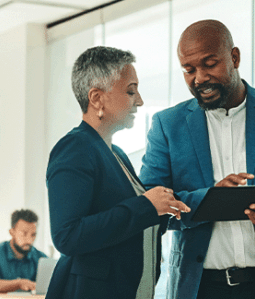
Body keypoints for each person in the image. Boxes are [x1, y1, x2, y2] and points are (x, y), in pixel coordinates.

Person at [139, 20, 255, 299]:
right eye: (189, 70)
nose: (199, 77)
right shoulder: (167, 125)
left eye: (210, 64)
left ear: (235, 57)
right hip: (199, 288)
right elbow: (149, 205)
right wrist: (209, 199)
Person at [45, 46, 190, 299]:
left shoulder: (117, 154)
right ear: (97, 98)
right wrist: (146, 206)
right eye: (130, 91)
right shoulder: (75, 148)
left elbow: (130, 223)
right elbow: (67, 235)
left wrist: (198, 200)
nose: (140, 100)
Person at [0, 209, 47, 299]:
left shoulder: (41, 258)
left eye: (33, 234)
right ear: (12, 232)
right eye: (24, 234)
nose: (29, 240)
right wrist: (20, 283)